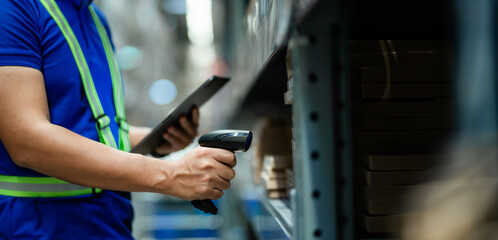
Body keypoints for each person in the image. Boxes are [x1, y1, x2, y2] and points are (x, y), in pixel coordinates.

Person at [0, 0, 236, 239]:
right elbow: (26, 141)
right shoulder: (13, 8)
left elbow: (95, 130)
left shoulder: (95, 19)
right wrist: (171, 174)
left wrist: (156, 139)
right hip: (39, 228)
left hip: (109, 225)